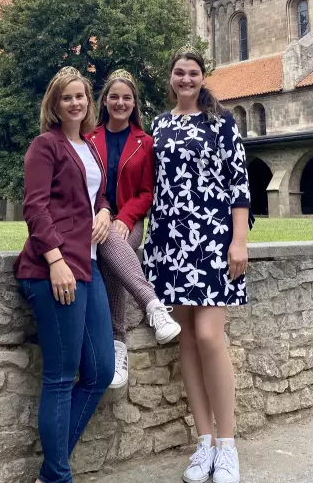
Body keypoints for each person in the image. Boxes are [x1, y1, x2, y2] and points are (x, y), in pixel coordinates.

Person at [142, 47, 251, 483]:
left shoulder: (222, 122)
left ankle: (227, 444)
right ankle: (203, 441)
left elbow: (239, 184)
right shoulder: (160, 124)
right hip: (169, 240)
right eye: (179, 72)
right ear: (170, 78)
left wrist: (238, 241)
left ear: (202, 78)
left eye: (193, 73)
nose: (186, 79)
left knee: (209, 336)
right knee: (186, 341)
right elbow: (154, 183)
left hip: (212, 238)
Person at [15, 66, 115, 483]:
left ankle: (50, 472)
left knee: (101, 371)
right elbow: (35, 207)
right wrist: (55, 260)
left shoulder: (90, 147)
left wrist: (106, 210)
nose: (76, 103)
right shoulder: (45, 145)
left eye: (81, 96)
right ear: (54, 105)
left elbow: (98, 194)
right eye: (67, 97)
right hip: (53, 268)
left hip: (88, 265)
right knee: (60, 377)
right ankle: (57, 476)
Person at [88, 69, 181, 389]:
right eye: (114, 96)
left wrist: (124, 219)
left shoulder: (146, 143)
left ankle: (118, 344)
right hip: (92, 220)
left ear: (134, 103)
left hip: (129, 221)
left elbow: (146, 192)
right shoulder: (89, 139)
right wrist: (101, 213)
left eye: (126, 97)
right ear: (104, 101)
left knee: (116, 243)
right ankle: (153, 306)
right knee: (113, 246)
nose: (120, 102)